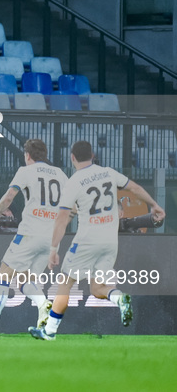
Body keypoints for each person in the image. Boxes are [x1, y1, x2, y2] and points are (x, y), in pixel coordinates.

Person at [29, 141, 165, 340]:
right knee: (97, 288)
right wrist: (154, 205)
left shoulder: (74, 182)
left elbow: (62, 219)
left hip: (86, 241)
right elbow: (134, 188)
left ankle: (49, 331)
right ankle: (119, 298)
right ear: (92, 155)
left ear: (72, 157)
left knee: (65, 284)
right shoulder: (108, 173)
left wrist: (53, 249)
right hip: (110, 242)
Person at [0, 139, 69, 336]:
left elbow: (9, 196)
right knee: (27, 279)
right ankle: (43, 304)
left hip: (30, 233)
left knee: (3, 275)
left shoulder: (26, 171)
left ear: (28, 155)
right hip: (52, 238)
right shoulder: (61, 175)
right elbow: (73, 208)